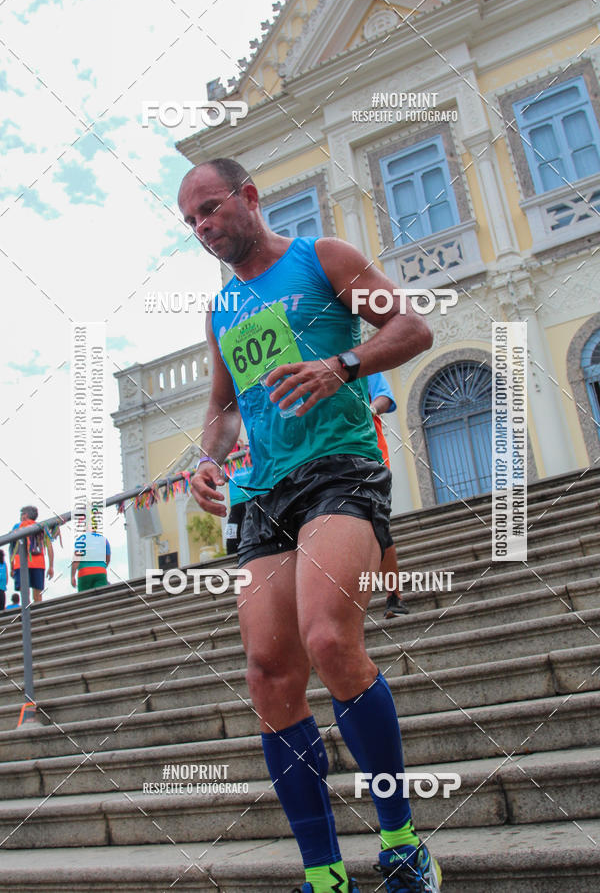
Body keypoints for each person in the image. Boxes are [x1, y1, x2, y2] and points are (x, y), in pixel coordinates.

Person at [180, 158, 440, 893]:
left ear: (249, 196)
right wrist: (206, 461)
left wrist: (342, 364)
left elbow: (413, 327)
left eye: (210, 208)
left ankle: (402, 845)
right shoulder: (222, 310)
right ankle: (324, 876)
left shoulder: (322, 258)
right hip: (265, 491)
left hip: (339, 466)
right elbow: (224, 409)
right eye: (190, 221)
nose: (202, 227)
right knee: (268, 676)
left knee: (328, 637)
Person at [367, 373, 409, 619]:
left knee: (379, 529)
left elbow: (384, 397)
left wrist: (369, 410)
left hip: (371, 459)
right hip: (326, 464)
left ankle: (394, 595)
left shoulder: (358, 362)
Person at [10, 505, 53, 603]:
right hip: (38, 564)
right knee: (38, 596)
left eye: (21, 514)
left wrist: (12, 567)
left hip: (21, 564)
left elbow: (12, 549)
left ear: (25, 515)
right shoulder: (41, 528)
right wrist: (51, 566)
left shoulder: (17, 527)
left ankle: (28, 612)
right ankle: (39, 612)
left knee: (25, 596)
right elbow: (50, 548)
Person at [224, 442, 253, 556]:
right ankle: (231, 554)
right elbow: (223, 477)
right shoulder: (229, 462)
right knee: (232, 538)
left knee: (249, 532)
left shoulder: (249, 453)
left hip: (250, 500)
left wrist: (244, 449)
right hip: (235, 505)